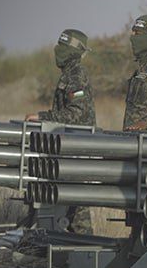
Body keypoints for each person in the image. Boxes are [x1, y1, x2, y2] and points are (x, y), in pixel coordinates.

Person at [25, 28, 96, 234]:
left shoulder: (76, 74)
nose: (57, 50)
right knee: (62, 207)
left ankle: (87, 249)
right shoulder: (69, 74)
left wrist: (43, 117)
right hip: (67, 149)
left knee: (78, 211)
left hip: (77, 151)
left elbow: (77, 112)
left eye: (63, 46)